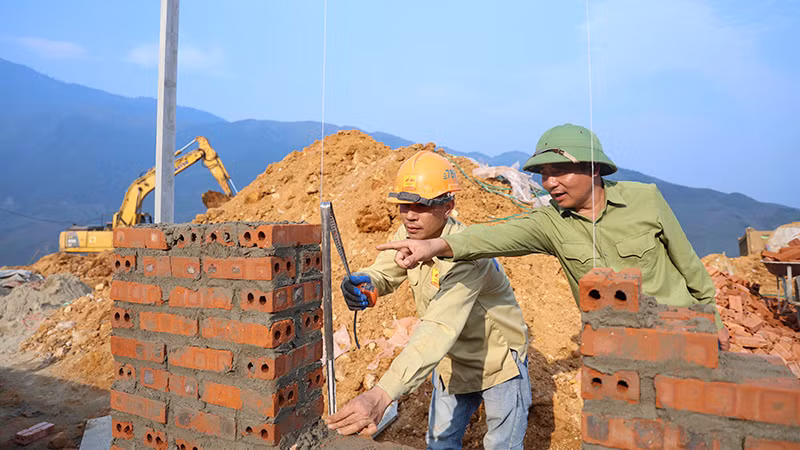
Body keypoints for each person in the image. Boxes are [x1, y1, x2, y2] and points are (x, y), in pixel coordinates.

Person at [377, 124, 730, 350]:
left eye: (558, 172)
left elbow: (689, 266)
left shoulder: (646, 199)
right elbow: (492, 237)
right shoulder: (551, 222)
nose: (549, 183)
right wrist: (433, 245)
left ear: (592, 169)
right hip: (619, 344)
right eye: (544, 174)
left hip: (681, 333)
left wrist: (712, 320)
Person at [325, 151, 532, 450]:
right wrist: (367, 282)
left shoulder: (469, 256)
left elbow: (438, 327)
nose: (409, 214)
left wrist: (382, 394)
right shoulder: (409, 233)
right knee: (440, 442)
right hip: (451, 361)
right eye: (403, 205)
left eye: (421, 206)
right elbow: (386, 270)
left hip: (497, 361)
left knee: (503, 445)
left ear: (448, 206)